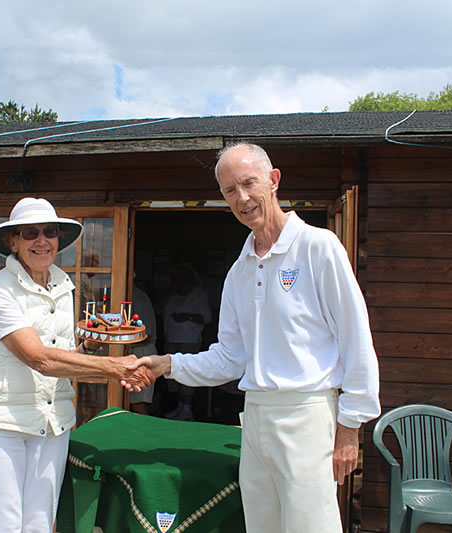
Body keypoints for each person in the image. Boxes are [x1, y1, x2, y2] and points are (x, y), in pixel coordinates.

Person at [128, 143, 380, 533]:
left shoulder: (319, 247)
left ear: (273, 180)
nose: (242, 198)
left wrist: (351, 427)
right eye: (230, 190)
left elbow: (356, 340)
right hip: (256, 418)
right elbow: (229, 358)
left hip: (308, 415)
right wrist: (167, 365)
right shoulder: (238, 272)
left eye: (249, 183)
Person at [0, 197, 154, 533]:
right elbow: (38, 357)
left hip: (51, 421)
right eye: (30, 233)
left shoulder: (63, 286)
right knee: (5, 523)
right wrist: (116, 368)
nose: (42, 240)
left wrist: (89, 347)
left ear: (58, 239)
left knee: (40, 520)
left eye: (49, 232)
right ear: (14, 241)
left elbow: (59, 354)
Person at [160, 263, 211, 420]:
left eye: (182, 276)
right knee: (174, 375)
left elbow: (207, 318)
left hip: (189, 340)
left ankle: (187, 409)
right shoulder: (172, 295)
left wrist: (187, 316)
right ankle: (180, 407)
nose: (179, 280)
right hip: (171, 339)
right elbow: (159, 308)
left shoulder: (198, 294)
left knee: (188, 372)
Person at [129, 283, 158, 415]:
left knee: (138, 404)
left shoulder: (137, 297)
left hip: (141, 352)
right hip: (136, 351)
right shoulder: (134, 295)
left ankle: (149, 435)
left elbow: (145, 333)